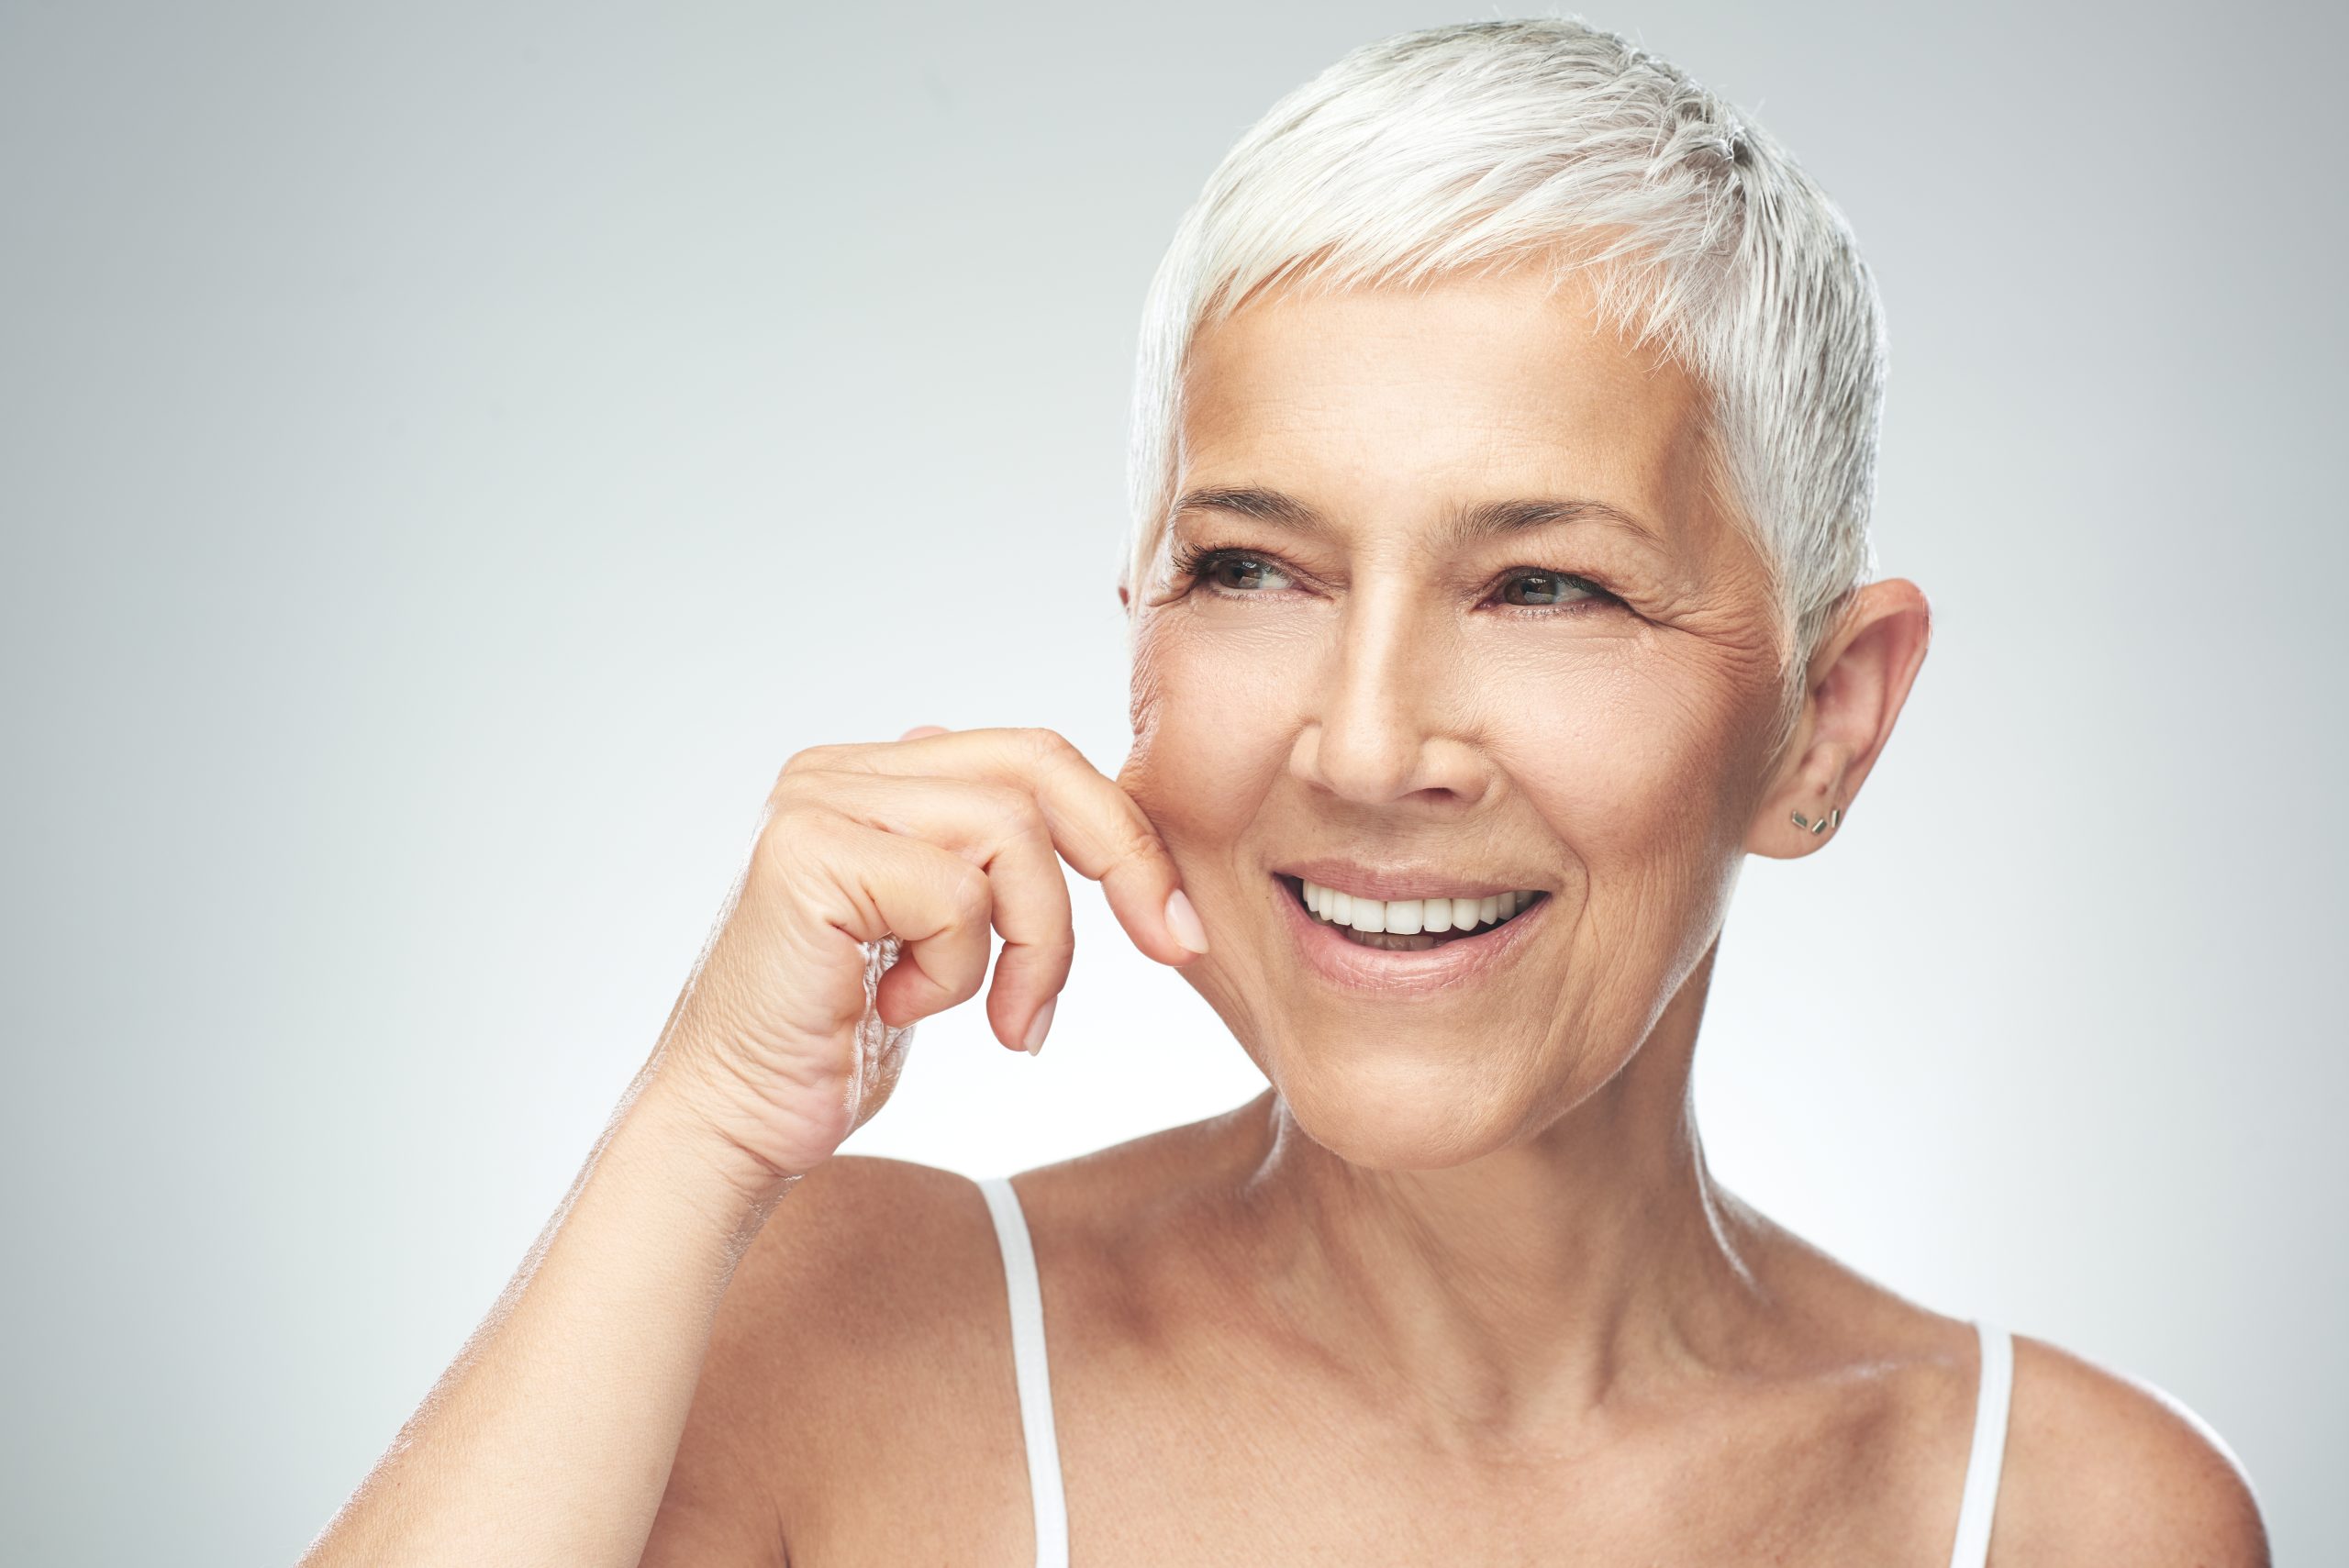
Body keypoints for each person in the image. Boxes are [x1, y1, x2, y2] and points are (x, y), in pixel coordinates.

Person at [299, 17, 2269, 1567]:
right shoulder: (862, 1344)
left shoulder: (2074, 1517)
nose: (1358, 740)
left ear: (1826, 719)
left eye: (1544, 585)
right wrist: (698, 1124)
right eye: (1252, 567)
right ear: (1143, 623)